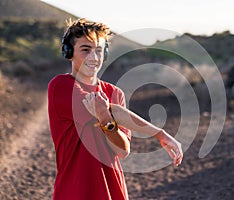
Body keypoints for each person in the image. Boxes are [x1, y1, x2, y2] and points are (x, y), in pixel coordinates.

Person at [48, 18, 183, 200]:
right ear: (69, 52)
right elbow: (109, 109)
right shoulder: (61, 86)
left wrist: (106, 121)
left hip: (113, 192)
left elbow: (122, 150)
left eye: (98, 50)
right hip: (74, 191)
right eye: (85, 50)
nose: (94, 58)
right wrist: (160, 134)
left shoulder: (114, 92)